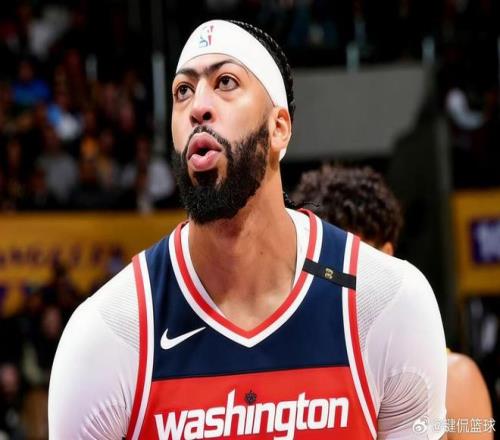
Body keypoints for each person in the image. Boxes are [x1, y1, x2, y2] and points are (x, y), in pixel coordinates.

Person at [48, 20, 447, 439]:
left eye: (225, 82)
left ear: (279, 128)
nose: (198, 106)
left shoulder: (387, 301)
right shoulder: (108, 332)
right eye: (183, 91)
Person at [293, 164, 494, 440]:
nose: (338, 276)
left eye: (356, 259)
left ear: (386, 255)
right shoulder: (294, 373)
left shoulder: (455, 377)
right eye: (328, 262)